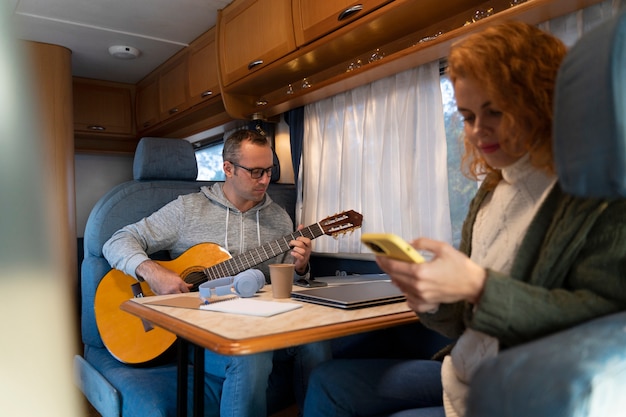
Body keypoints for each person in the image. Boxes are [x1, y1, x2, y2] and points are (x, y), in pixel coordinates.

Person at [302, 21, 626, 417]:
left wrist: (478, 285)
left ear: (542, 102)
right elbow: (461, 323)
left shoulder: (596, 199)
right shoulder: (492, 190)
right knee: (327, 380)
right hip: (459, 372)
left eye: (495, 112)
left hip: (512, 389)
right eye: (467, 115)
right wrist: (429, 298)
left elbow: (602, 322)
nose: (476, 131)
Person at [103, 129, 332, 417]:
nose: (265, 180)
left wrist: (300, 267)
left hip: (262, 323)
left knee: (317, 343)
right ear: (228, 169)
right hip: (198, 334)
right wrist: (152, 272)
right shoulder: (188, 210)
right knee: (251, 353)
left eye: (270, 171)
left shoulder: (279, 217)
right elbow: (117, 240)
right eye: (256, 171)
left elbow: (287, 282)